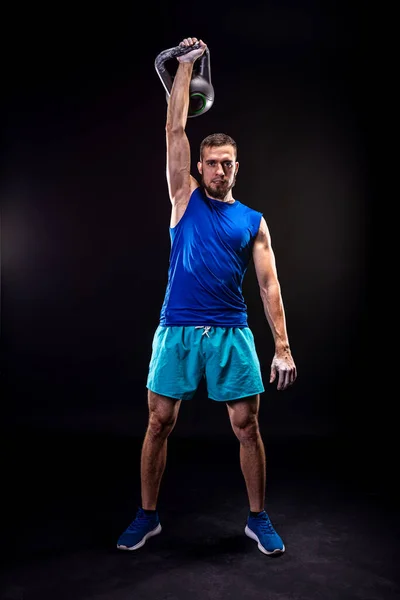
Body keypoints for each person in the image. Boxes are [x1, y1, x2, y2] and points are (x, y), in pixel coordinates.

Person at [117, 36, 297, 556]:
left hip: (232, 331)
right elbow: (175, 126)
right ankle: (146, 516)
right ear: (198, 167)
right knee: (158, 421)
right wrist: (186, 65)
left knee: (247, 426)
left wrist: (282, 346)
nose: (220, 170)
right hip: (176, 327)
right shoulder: (184, 198)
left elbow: (269, 285)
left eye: (228, 163)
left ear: (237, 168)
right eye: (212, 162)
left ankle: (258, 519)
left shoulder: (253, 221)